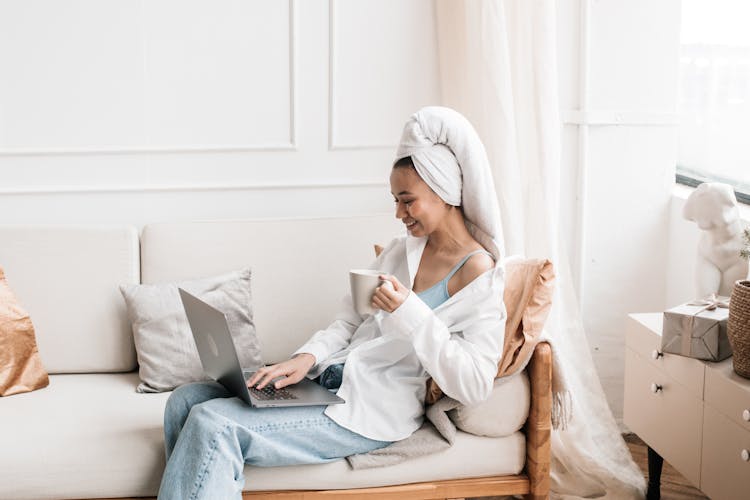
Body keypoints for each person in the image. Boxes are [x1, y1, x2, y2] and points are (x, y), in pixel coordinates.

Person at [157, 106, 508, 500]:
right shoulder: (398, 253)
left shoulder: (480, 276)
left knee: (213, 425)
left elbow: (476, 383)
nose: (398, 213)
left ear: (443, 191)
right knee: (185, 401)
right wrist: (303, 359)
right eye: (395, 200)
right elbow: (346, 322)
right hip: (324, 381)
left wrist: (410, 312)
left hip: (369, 409)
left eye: (407, 200)